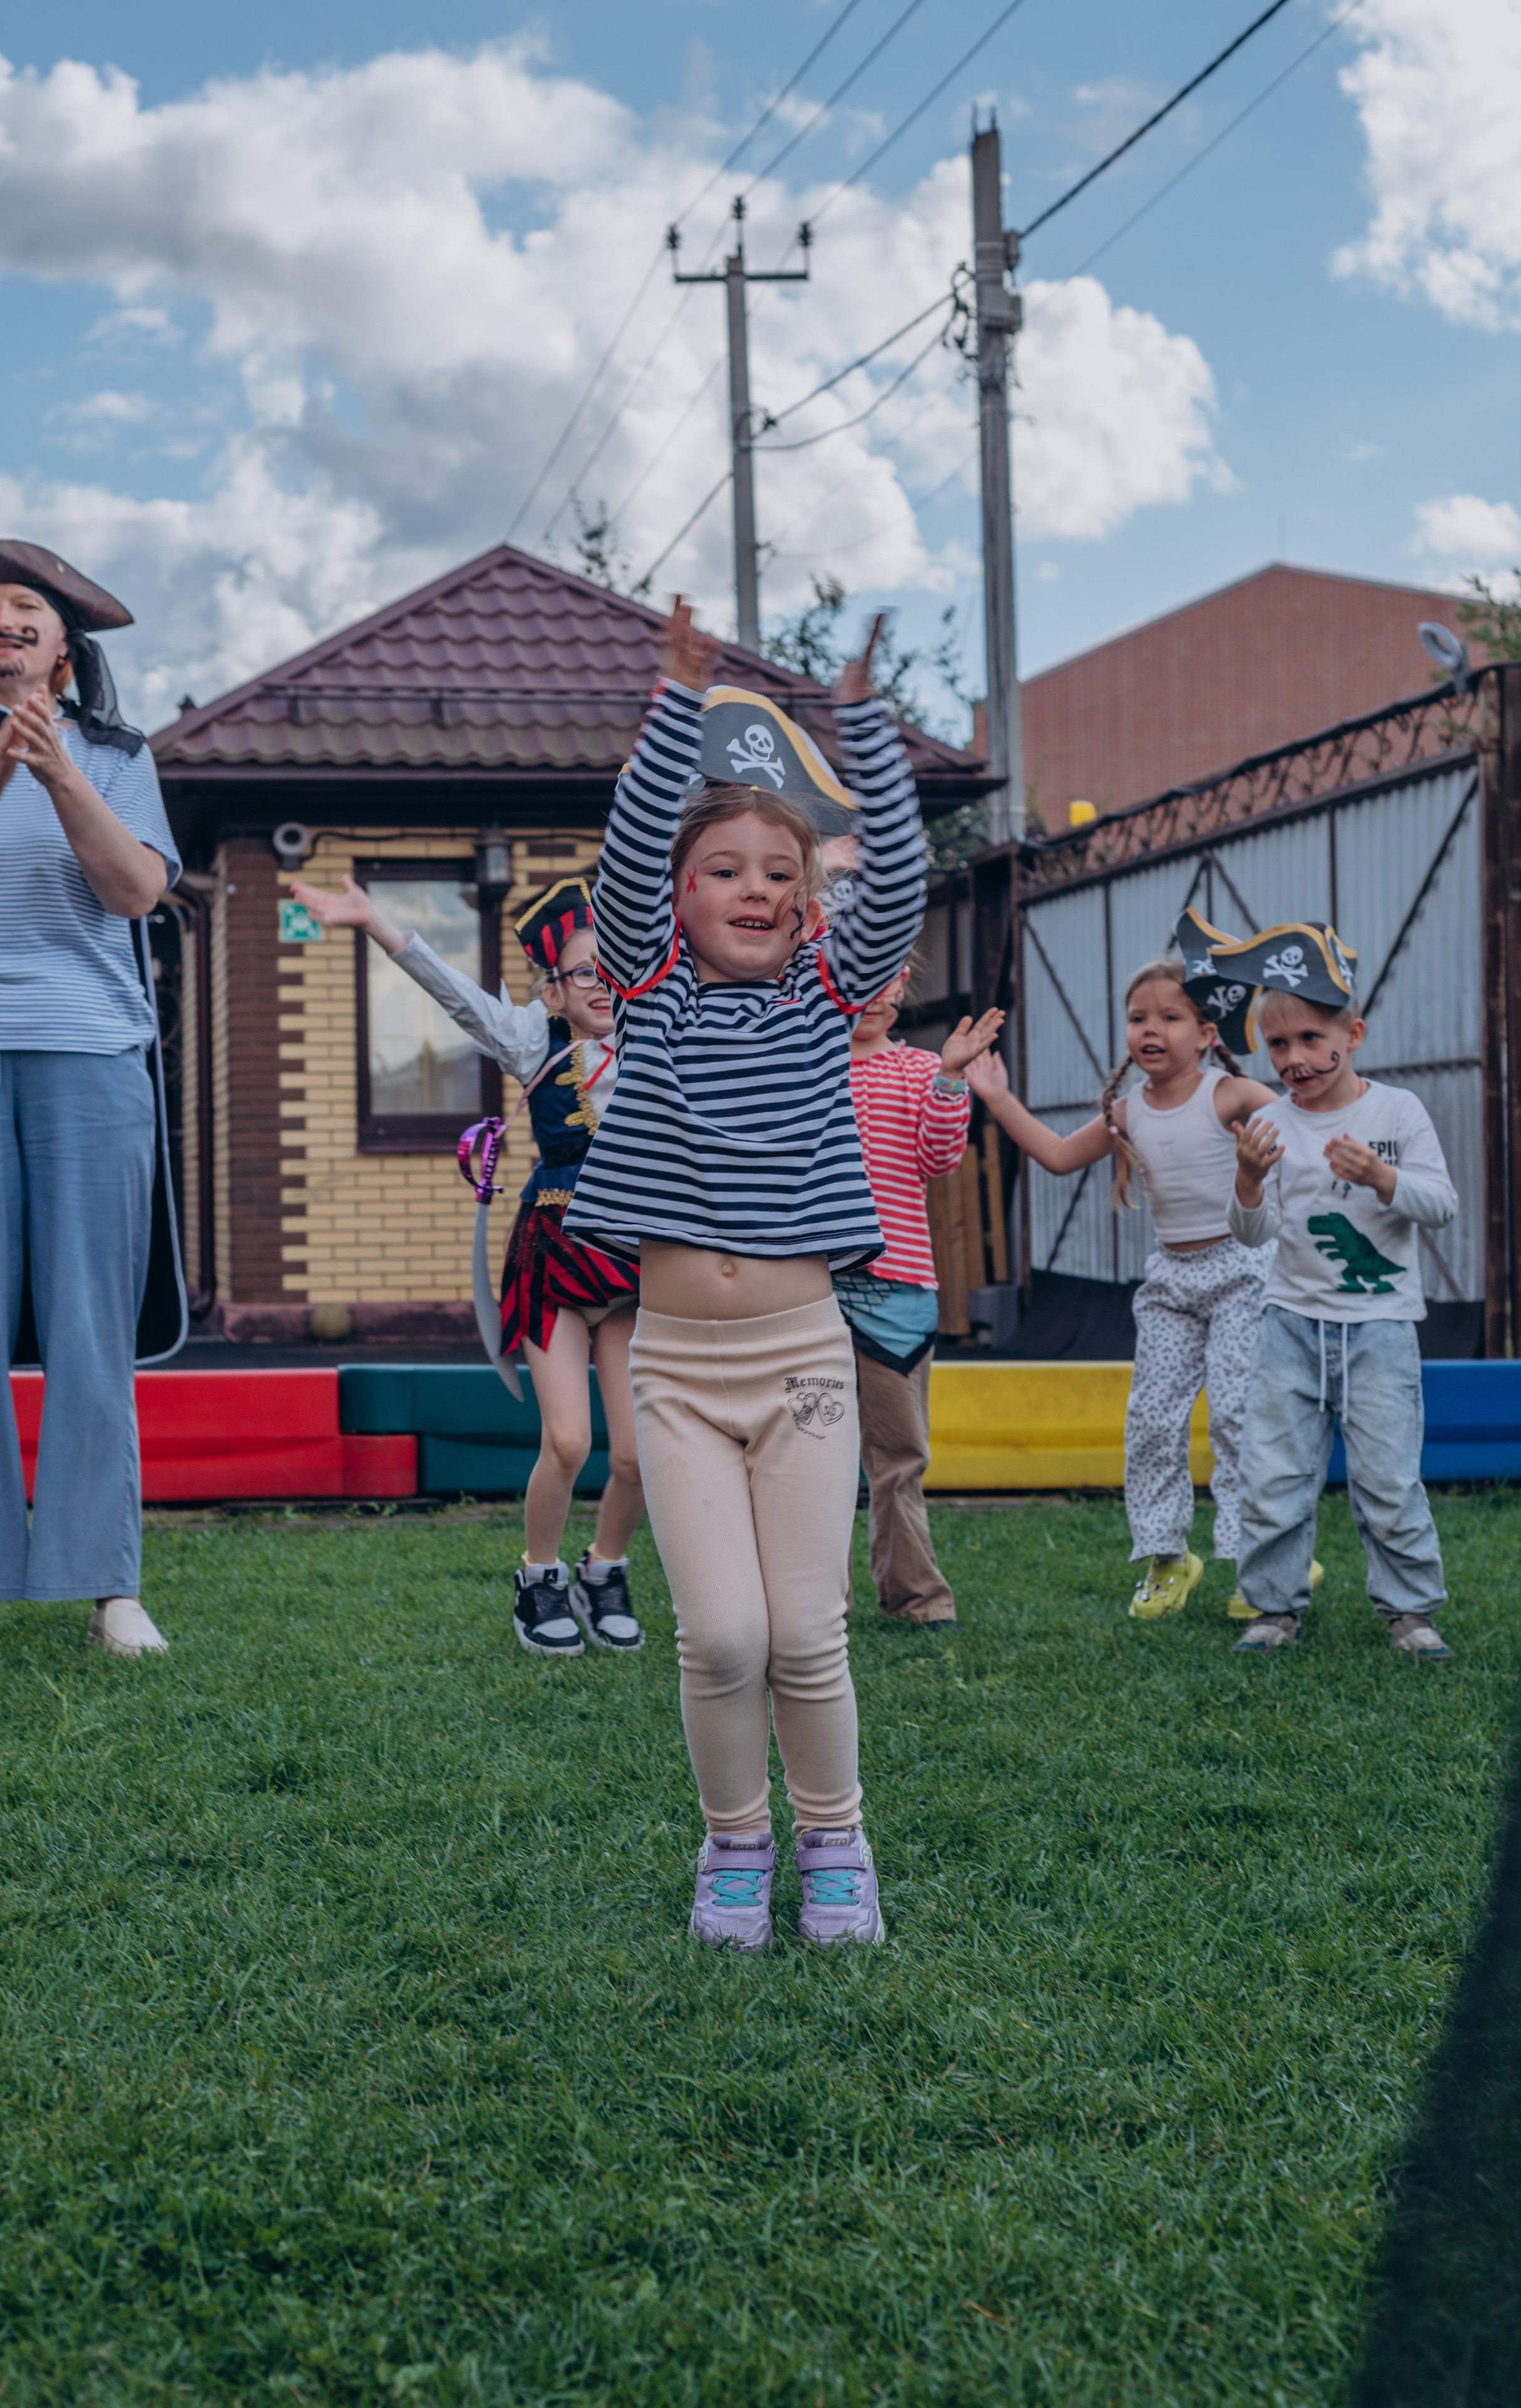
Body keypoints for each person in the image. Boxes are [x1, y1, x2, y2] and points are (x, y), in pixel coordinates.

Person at [565, 598, 927, 1952]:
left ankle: (835, 1841)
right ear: (677, 897)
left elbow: (892, 880)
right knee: (717, 1637)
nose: (758, 890)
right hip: (674, 1367)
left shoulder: (825, 996)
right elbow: (617, 865)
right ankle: (734, 1847)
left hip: (800, 1364)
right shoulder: (648, 988)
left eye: (780, 871)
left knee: (803, 1634)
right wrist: (673, 696)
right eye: (724, 869)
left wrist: (865, 724)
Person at [0, 539, 180, 1663]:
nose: (1, 618)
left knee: (86, 1327)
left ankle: (106, 1583)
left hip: (91, 1056)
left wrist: (59, 769)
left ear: (63, 651)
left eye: (25, 606)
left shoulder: (121, 756)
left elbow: (134, 890)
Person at [287, 871, 645, 1657]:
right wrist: (372, 919)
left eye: (617, 966)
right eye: (587, 971)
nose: (604, 984)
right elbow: (449, 991)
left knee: (637, 1449)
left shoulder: (655, 1043)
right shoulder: (529, 1038)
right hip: (554, 1265)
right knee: (569, 1442)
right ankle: (540, 1578)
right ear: (552, 989)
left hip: (630, 1271)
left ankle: (605, 1567)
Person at [968, 912, 1282, 1622]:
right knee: (1150, 1421)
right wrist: (997, 1097)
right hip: (1171, 1281)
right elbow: (1052, 1155)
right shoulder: (1128, 1113)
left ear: (1207, 1035)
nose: (1150, 1029)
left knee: (1236, 1414)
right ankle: (1169, 1559)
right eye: (1137, 1016)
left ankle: (1262, 1559)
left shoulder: (1228, 1095)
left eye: (1170, 1017)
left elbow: (1305, 1121)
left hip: (1241, 1272)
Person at [1219, 922, 1458, 1660]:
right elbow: (1251, 1236)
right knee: (1273, 1475)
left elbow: (1441, 1205)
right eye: (1277, 1044)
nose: (1293, 1058)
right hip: (1288, 1323)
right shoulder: (1267, 1122)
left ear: (1351, 1034)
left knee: (1388, 1479)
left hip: (1380, 1327)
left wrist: (1383, 1178)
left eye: (1310, 1038)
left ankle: (1410, 1613)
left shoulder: (1396, 1113)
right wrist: (1249, 1180)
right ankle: (1272, 1609)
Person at [837, 961, 1002, 1624]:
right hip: (804, 1291)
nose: (870, 996)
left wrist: (950, 1076)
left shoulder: (918, 1070)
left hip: (897, 1293)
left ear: (902, 984)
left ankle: (917, 1596)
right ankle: (818, 1602)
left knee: (899, 1454)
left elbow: (940, 1158)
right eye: (851, 979)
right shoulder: (801, 1064)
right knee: (809, 1457)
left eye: (883, 980)